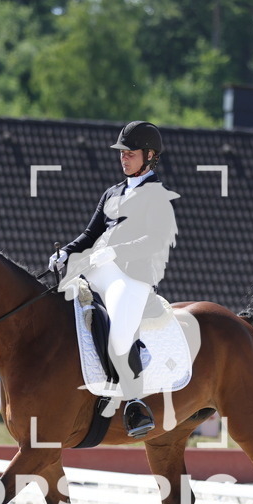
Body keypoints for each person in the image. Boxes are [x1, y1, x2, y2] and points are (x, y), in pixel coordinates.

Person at [49, 121, 180, 438]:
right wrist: (66, 252)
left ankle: (134, 402)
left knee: (119, 323)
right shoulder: (112, 192)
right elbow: (90, 234)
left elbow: (155, 241)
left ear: (149, 156)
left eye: (130, 153)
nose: (124, 159)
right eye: (122, 153)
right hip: (101, 272)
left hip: (134, 278)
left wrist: (115, 252)